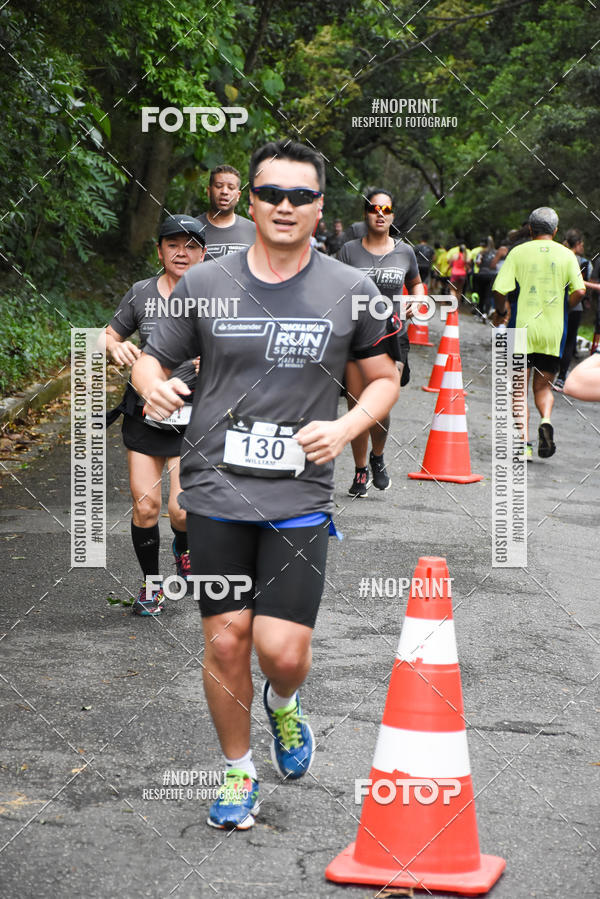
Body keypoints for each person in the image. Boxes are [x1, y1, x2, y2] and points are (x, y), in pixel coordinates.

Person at [131, 139, 399, 829]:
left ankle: (283, 703)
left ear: (319, 209)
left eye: (299, 196)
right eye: (270, 194)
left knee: (282, 649)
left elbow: (386, 379)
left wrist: (345, 431)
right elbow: (148, 360)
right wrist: (155, 388)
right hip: (216, 491)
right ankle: (237, 772)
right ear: (249, 202)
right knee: (225, 639)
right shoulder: (206, 284)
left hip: (299, 497)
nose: (284, 206)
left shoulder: (350, 289)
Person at [105, 215, 206, 615]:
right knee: (146, 506)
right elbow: (108, 334)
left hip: (195, 415)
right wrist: (113, 347)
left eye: (192, 245)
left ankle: (184, 547)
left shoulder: (219, 296)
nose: (182, 253)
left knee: (181, 510)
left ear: (204, 252)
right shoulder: (141, 293)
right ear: (160, 249)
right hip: (146, 413)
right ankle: (151, 586)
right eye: (173, 244)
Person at [337, 187, 423, 497]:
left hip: (392, 337)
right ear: (366, 213)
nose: (380, 214)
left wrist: (418, 298)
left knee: (381, 403)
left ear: (393, 216)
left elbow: (415, 282)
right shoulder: (348, 251)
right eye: (375, 209)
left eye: (386, 210)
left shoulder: (404, 251)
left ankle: (378, 457)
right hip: (355, 337)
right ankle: (361, 469)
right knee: (356, 404)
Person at [493, 207, 585, 459]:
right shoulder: (567, 255)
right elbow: (580, 291)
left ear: (531, 229)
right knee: (543, 388)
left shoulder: (518, 252)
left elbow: (499, 290)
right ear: (555, 231)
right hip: (552, 332)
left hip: (520, 329)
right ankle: (545, 419)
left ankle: (523, 445)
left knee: (518, 389)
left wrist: (501, 312)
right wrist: (564, 306)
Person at [555, 228, 592, 390]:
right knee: (570, 341)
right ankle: (561, 377)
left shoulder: (557, 256)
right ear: (577, 244)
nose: (583, 246)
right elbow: (581, 286)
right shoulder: (583, 263)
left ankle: (547, 372)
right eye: (581, 244)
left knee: (556, 339)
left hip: (555, 303)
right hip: (574, 305)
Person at [195, 164, 255, 261]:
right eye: (219, 186)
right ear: (209, 191)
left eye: (231, 188)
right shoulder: (192, 229)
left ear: (238, 195)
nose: (224, 191)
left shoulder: (253, 231)